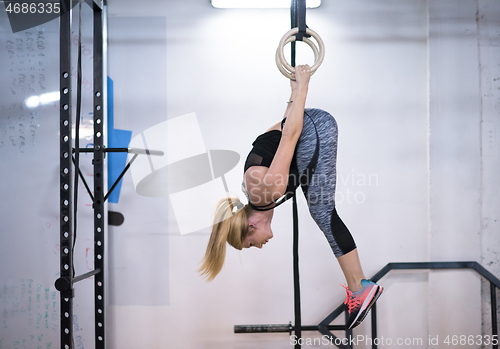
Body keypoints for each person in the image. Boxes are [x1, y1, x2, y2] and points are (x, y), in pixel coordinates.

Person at [199, 65, 382, 330]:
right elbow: (280, 131)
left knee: (321, 212)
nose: (260, 246)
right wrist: (293, 91)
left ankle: (360, 288)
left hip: (313, 127)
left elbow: (290, 135)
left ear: (251, 226)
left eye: (251, 244)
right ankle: (360, 287)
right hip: (308, 125)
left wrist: (304, 87)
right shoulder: (260, 193)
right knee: (320, 209)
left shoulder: (264, 192)